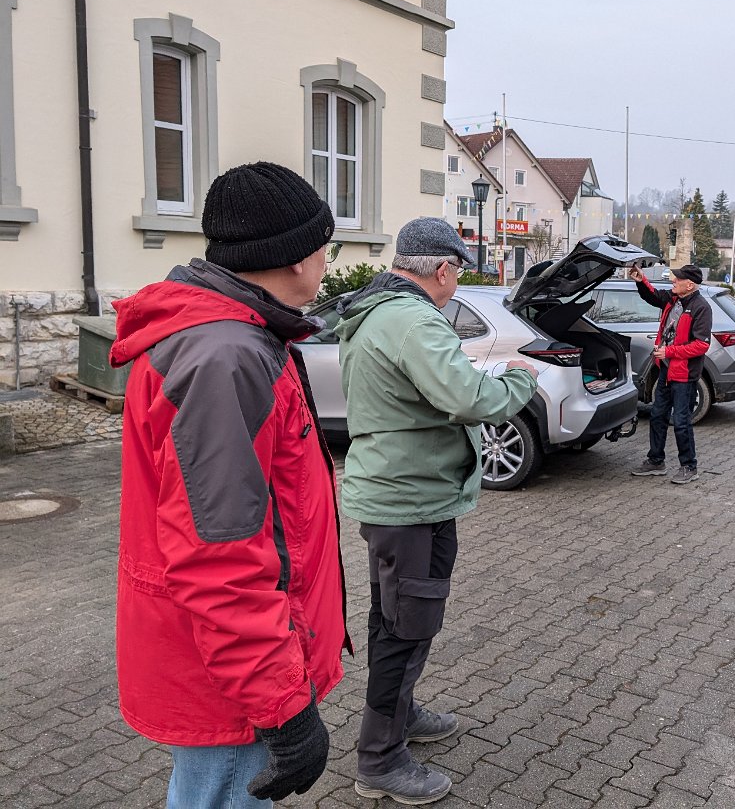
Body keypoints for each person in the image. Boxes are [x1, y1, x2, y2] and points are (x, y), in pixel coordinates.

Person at [109, 162, 350, 808]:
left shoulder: (235, 338)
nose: (329, 258)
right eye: (326, 242)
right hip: (230, 680)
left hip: (227, 664)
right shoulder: (225, 357)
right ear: (294, 256)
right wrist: (281, 705)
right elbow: (220, 556)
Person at [336, 217, 540, 804]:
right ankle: (380, 758)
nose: (457, 284)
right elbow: (469, 398)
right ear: (443, 268)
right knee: (406, 625)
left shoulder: (380, 309)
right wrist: (521, 379)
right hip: (409, 501)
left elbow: (427, 387)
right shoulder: (413, 318)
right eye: (458, 272)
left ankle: (398, 715)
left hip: (403, 496)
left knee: (397, 618)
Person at [628, 263, 713, 484]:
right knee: (657, 416)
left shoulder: (701, 308)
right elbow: (653, 296)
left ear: (690, 284)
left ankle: (689, 466)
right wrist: (641, 280)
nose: (673, 281)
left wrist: (670, 351)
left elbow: (701, 345)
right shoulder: (674, 299)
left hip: (684, 375)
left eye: (678, 279)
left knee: (682, 421)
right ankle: (656, 461)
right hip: (665, 370)